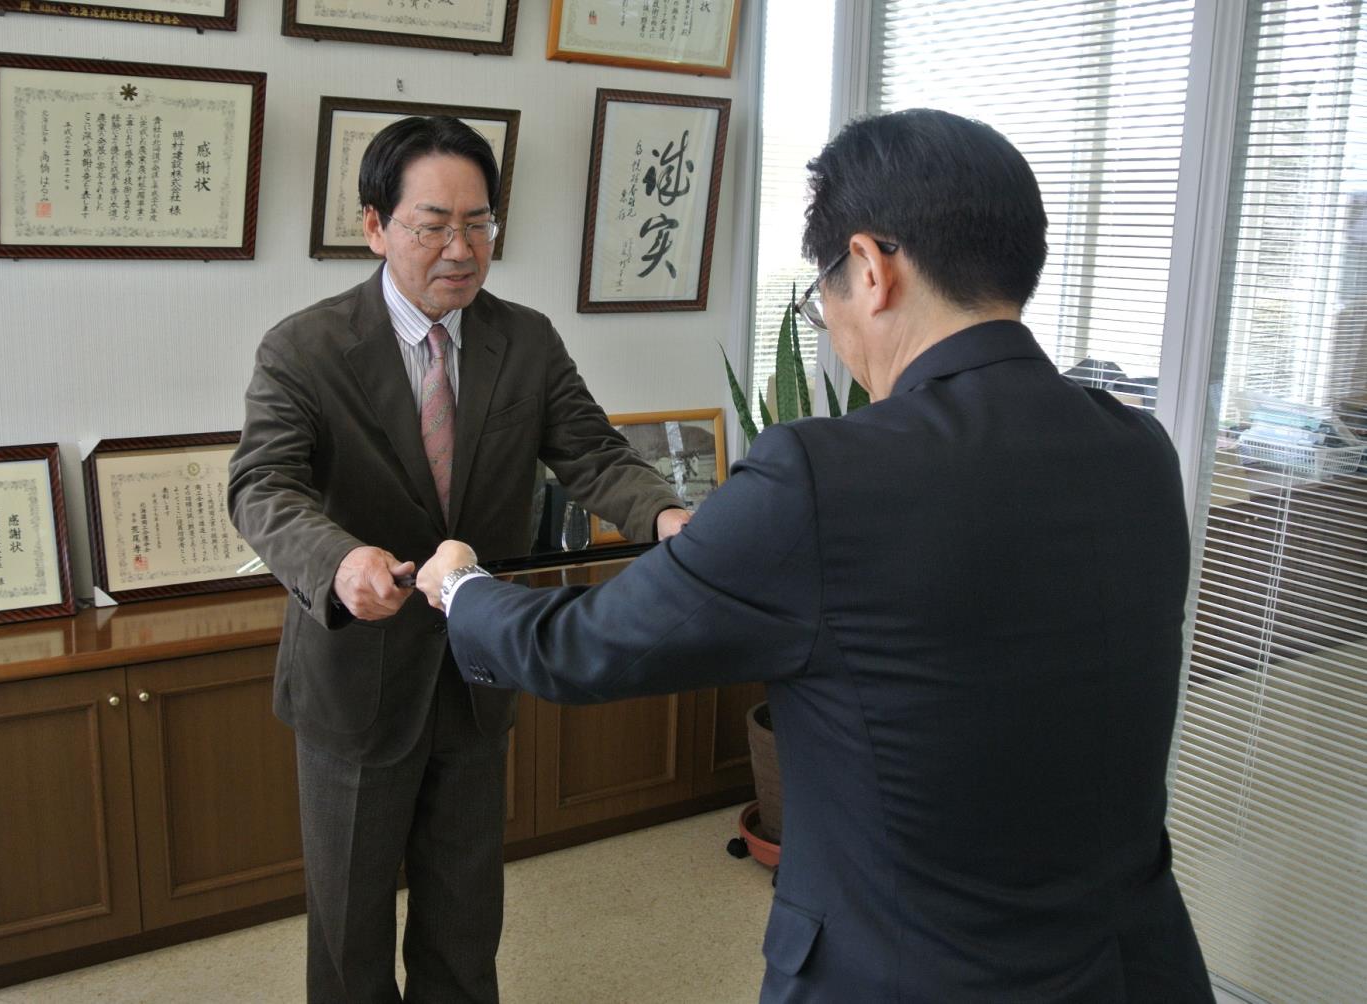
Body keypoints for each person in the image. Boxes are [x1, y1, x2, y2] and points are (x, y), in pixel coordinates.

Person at [416, 108, 1215, 1003]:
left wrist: (462, 587)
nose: (830, 321)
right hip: (1135, 970)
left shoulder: (825, 475)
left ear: (872, 269)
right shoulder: (1140, 450)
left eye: (823, 292)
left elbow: (588, 646)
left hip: (901, 978)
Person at [227, 115, 689, 1004]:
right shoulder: (306, 348)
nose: (460, 248)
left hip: (477, 671)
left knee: (465, 922)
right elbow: (263, 486)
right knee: (352, 932)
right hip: (356, 676)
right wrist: (338, 560)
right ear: (375, 225)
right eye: (432, 224)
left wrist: (667, 513)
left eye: (479, 224)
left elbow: (593, 454)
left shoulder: (526, 340)